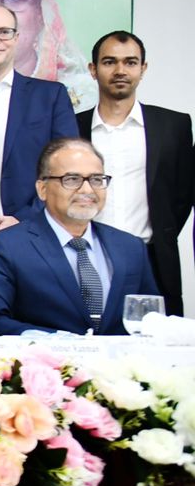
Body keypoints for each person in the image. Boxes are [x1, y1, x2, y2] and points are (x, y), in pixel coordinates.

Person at [0, 138, 161, 335]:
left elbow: (151, 319)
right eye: (72, 179)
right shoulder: (7, 246)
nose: (87, 190)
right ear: (42, 189)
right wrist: (60, 343)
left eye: (96, 179)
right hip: (44, 354)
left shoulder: (131, 247)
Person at [76, 31, 193, 315]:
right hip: (84, 260)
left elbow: (182, 196)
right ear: (93, 69)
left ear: (143, 68)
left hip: (152, 260)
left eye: (130, 62)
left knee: (156, 339)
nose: (120, 70)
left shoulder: (173, 125)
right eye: (109, 62)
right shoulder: (72, 126)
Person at [0, 2, 78, 225]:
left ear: (16, 38)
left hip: (31, 230)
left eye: (4, 32)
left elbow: (67, 169)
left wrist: (23, 220)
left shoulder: (50, 97)